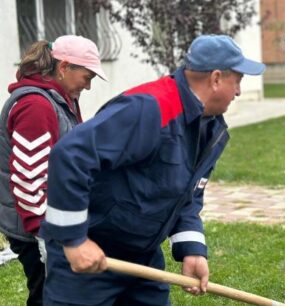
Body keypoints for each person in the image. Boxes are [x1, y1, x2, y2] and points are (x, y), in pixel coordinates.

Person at [39, 34, 265, 305]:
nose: (239, 91)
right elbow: (69, 156)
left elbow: (188, 195)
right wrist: (74, 241)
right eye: (237, 81)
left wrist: (192, 250)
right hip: (91, 252)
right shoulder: (148, 107)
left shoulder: (212, 128)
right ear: (216, 79)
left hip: (142, 256)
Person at [0, 35, 106, 306]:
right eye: (87, 76)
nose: (89, 86)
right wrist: (43, 234)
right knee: (48, 297)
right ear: (64, 68)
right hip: (33, 225)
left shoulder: (60, 98)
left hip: (49, 219)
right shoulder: (35, 106)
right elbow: (28, 178)